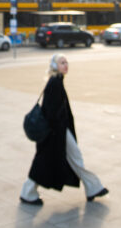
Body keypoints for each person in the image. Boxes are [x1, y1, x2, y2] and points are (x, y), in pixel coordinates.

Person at [20, 54, 108, 206]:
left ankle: (93, 187)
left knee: (57, 161)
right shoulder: (55, 83)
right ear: (55, 66)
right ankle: (27, 193)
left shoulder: (57, 81)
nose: (66, 65)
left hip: (58, 132)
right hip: (56, 133)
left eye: (66, 62)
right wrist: (57, 133)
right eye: (62, 63)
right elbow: (52, 112)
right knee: (47, 162)